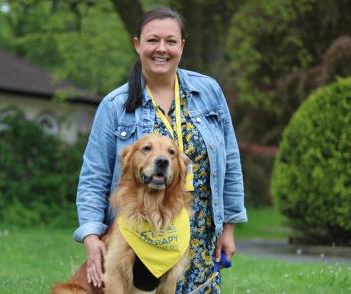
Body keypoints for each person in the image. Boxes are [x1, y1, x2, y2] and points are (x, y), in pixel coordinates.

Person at [73, 7, 247, 293]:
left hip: (197, 231)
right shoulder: (115, 105)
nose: (161, 49)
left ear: (182, 46)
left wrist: (228, 227)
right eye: (153, 40)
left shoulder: (210, 92)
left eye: (171, 41)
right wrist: (92, 237)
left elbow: (230, 161)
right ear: (137, 44)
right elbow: (94, 176)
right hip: (137, 232)